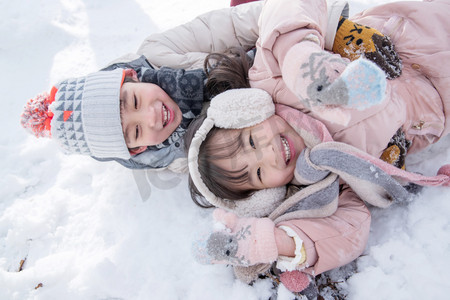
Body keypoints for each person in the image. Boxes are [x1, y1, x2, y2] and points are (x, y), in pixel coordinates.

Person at [185, 0, 450, 296]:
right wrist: (279, 241)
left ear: (247, 110)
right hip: (438, 102)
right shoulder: (324, 183)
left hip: (416, 28)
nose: (268, 153)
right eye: (258, 172)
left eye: (250, 140)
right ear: (266, 195)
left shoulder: (271, 80)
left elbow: (286, 10)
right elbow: (349, 228)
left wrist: (301, 62)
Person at [20, 0, 395, 172]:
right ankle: (379, 138)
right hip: (277, 111)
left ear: (131, 77)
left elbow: (240, 23)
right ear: (137, 151)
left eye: (133, 101)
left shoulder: (158, 53)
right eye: (136, 131)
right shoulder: (175, 159)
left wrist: (320, 29)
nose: (150, 116)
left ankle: (333, 51)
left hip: (266, 54)